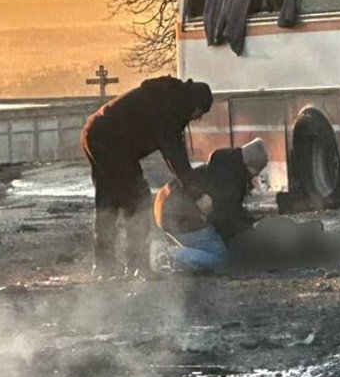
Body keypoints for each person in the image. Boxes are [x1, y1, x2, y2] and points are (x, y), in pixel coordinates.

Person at [81, 76, 213, 275]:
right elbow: (175, 155)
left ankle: (104, 265)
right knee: (138, 199)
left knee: (108, 200)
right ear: (195, 105)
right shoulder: (169, 108)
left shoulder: (167, 97)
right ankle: (137, 264)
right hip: (111, 142)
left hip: (95, 132)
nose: (196, 118)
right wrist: (197, 194)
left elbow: (174, 153)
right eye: (199, 113)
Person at [153, 138, 268, 272]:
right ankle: (169, 255)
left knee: (209, 252)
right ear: (248, 164)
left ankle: (175, 255)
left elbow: (226, 211)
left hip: (167, 208)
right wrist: (249, 229)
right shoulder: (231, 179)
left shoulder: (225, 167)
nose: (255, 176)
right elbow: (223, 216)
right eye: (256, 171)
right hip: (181, 215)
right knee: (220, 260)